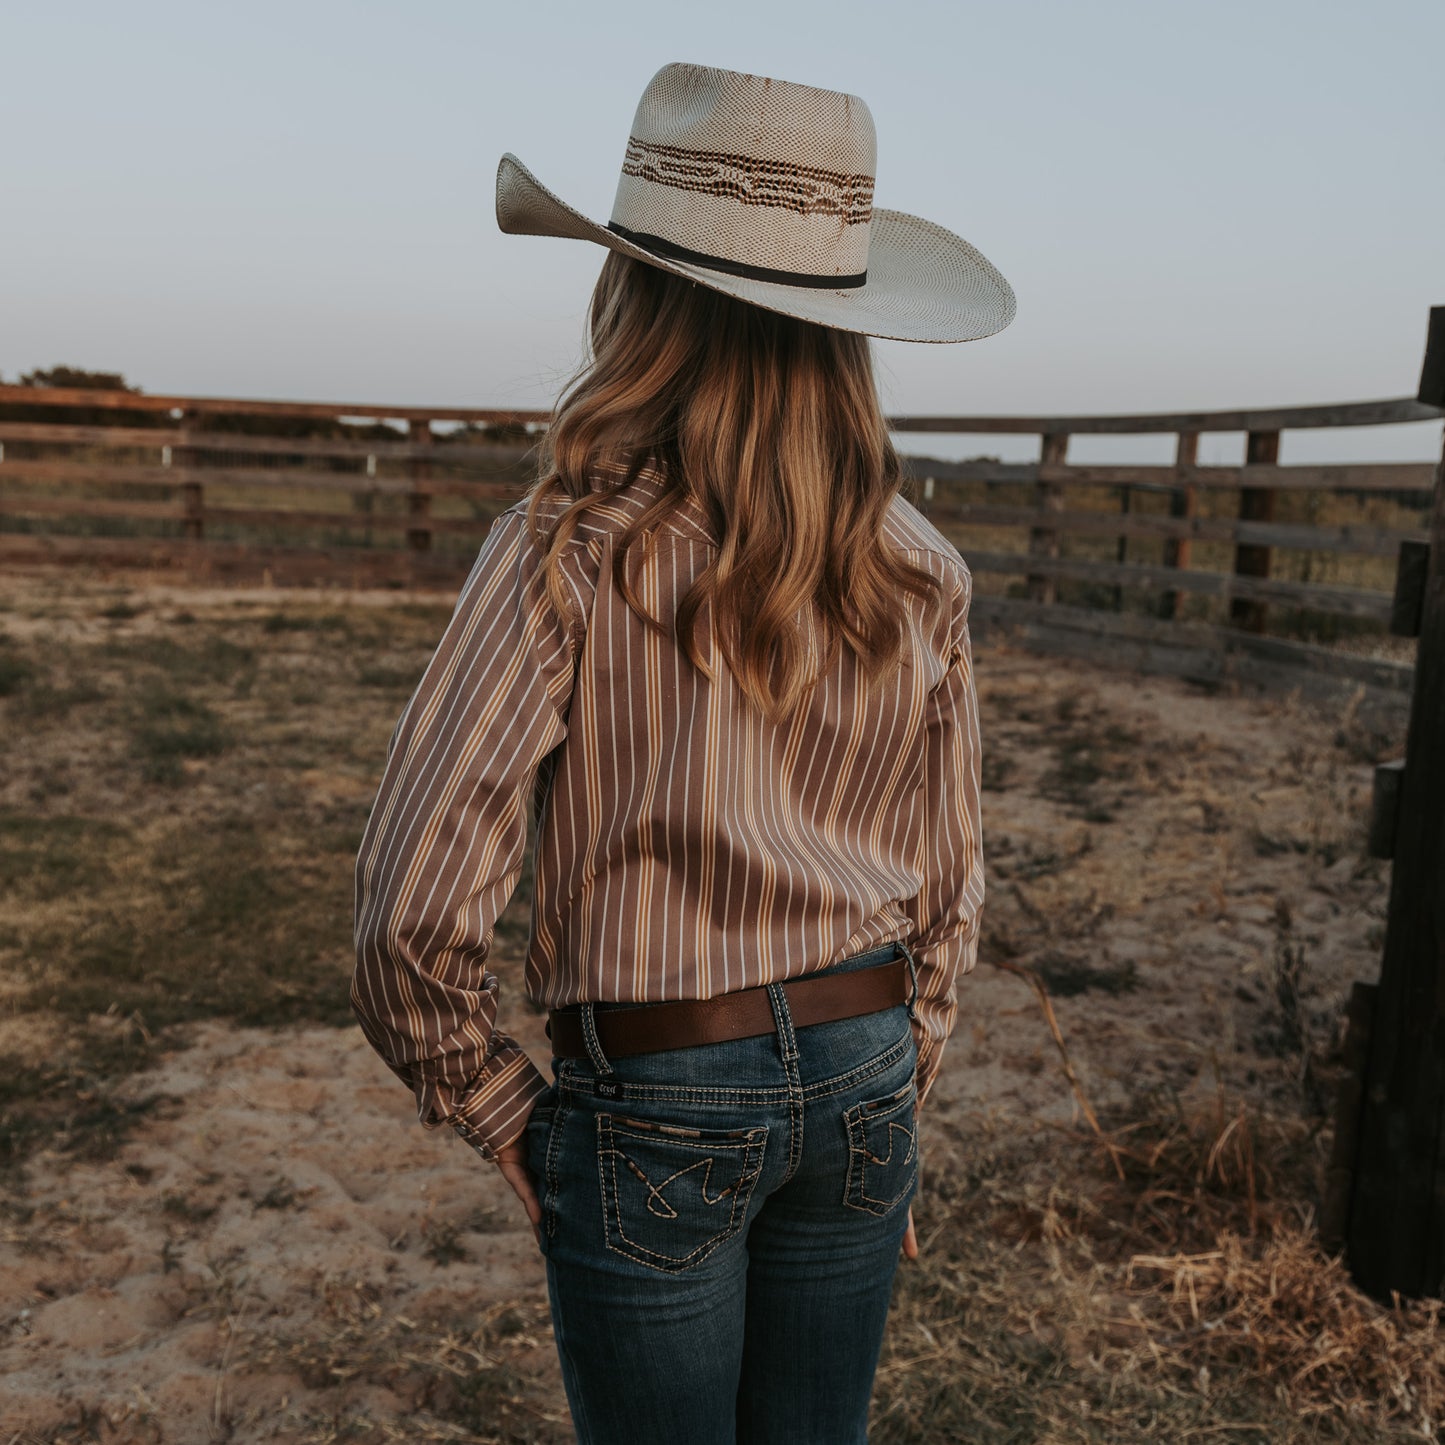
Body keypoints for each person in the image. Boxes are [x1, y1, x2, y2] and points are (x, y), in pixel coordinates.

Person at [351, 60, 1013, 1445]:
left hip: (657, 1081)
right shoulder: (920, 566)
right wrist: (890, 1089)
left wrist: (490, 1099)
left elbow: (413, 896)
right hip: (867, 1056)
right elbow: (949, 882)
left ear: (635, 297)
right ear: (844, 326)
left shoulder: (566, 549)